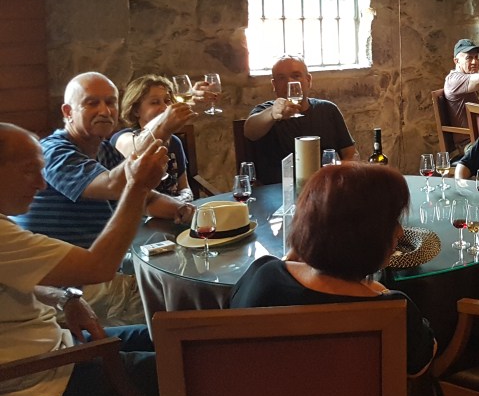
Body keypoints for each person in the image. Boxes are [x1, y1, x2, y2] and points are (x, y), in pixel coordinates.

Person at [0, 122, 164, 396]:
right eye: (29, 171)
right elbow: (99, 267)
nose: (42, 184)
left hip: (58, 352)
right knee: (194, 366)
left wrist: (65, 297)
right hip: (36, 388)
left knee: (171, 336)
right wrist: (137, 186)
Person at [14, 73, 195, 325]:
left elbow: (144, 197)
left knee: (180, 271)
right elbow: (115, 184)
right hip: (67, 288)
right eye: (92, 103)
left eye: (110, 102)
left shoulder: (103, 149)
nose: (104, 110)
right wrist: (161, 129)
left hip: (98, 269)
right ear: (68, 112)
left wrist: (186, 210)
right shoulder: (54, 151)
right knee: (182, 296)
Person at [230, 163, 436, 375]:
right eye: (393, 222)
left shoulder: (263, 276)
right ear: (368, 236)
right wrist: (379, 290)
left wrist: (293, 255)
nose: (400, 232)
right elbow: (420, 366)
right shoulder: (393, 309)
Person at [244, 55, 359, 184]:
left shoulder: (328, 110)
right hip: (279, 190)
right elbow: (250, 131)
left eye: (296, 76)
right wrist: (273, 113)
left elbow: (350, 153)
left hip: (323, 187)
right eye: (281, 78)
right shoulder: (266, 111)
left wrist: (338, 178)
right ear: (274, 85)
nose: (289, 82)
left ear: (308, 80)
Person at [111, 74, 196, 200]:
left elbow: (184, 187)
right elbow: (137, 148)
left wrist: (181, 200)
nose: (165, 108)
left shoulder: (174, 142)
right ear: (136, 111)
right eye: (155, 102)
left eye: (167, 101)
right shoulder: (122, 137)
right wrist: (164, 127)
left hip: (175, 209)